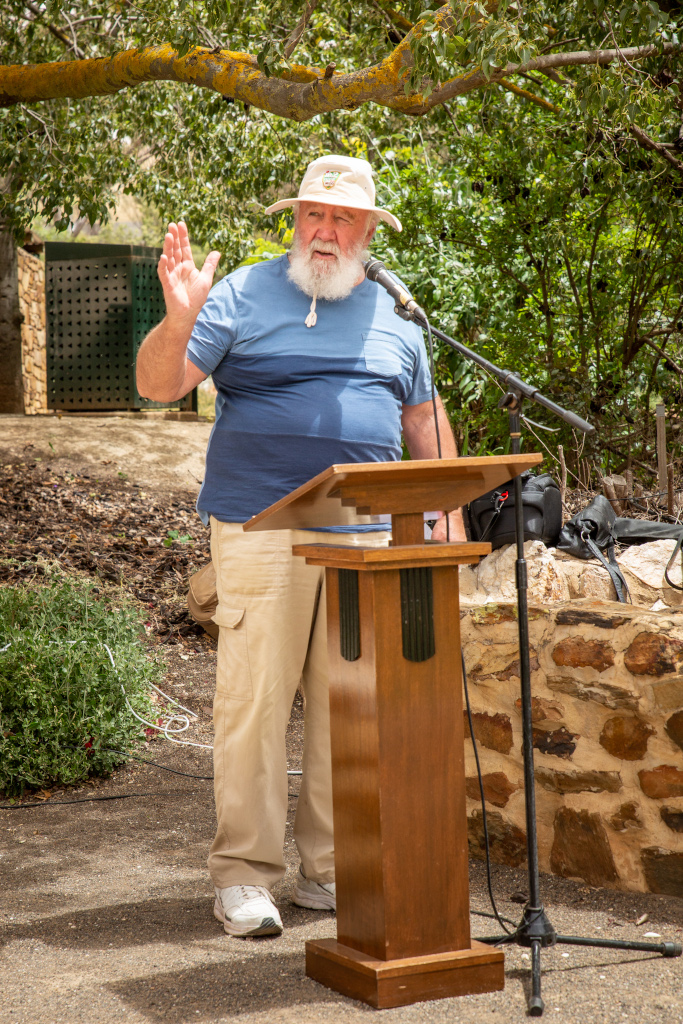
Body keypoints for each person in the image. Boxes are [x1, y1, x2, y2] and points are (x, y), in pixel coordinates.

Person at [136, 154, 465, 939]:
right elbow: (158, 385)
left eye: (341, 218)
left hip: (369, 534)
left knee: (347, 710)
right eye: (312, 214)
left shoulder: (394, 312)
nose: (323, 230)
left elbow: (421, 418)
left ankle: (328, 869)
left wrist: (447, 511)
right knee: (253, 704)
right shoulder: (242, 293)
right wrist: (182, 316)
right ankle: (244, 876)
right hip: (262, 530)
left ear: (366, 232)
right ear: (293, 221)